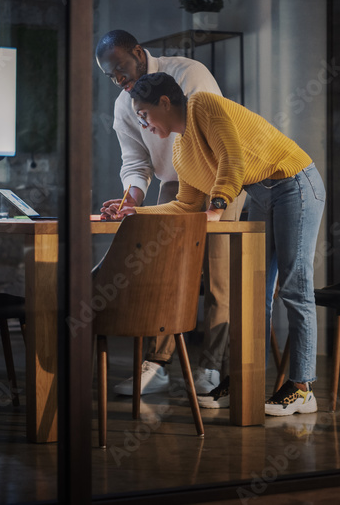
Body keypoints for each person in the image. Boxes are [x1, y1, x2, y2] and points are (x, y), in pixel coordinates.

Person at [107, 72, 326, 417]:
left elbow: (232, 159)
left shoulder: (203, 106)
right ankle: (244, 380)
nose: (143, 124)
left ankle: (301, 388)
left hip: (294, 183)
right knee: (255, 295)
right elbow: (184, 204)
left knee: (295, 288)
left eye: (144, 115)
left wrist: (218, 206)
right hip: (261, 193)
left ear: (165, 103)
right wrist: (134, 212)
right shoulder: (181, 151)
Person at [96, 29, 245, 397]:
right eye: (109, 76)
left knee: (217, 281)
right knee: (162, 275)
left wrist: (216, 204)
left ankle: (210, 366)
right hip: (175, 185)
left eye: (120, 68)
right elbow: (135, 161)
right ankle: (157, 365)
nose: (118, 80)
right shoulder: (123, 104)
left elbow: (216, 137)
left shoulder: (190, 74)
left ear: (138, 51)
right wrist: (131, 199)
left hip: (216, 181)